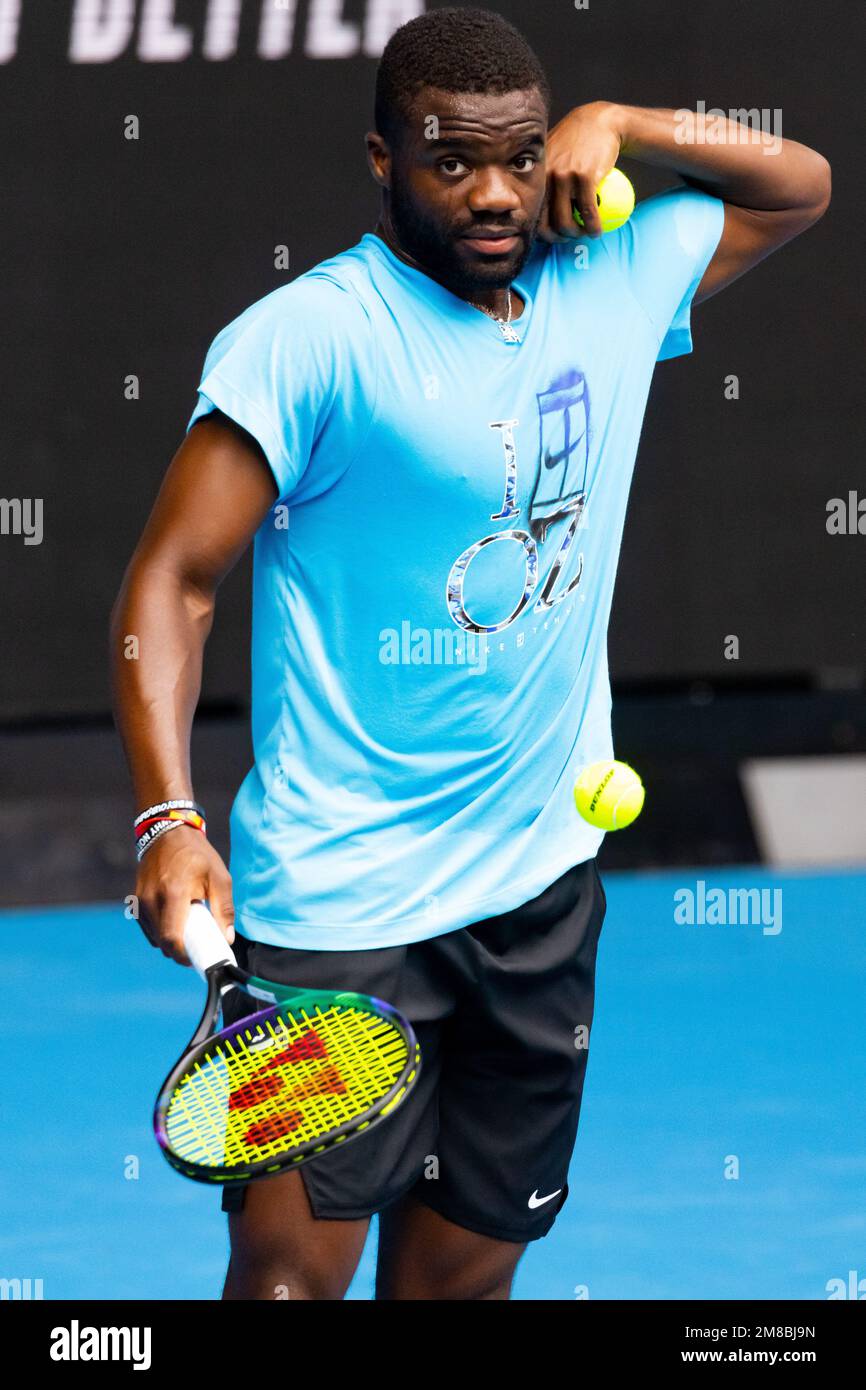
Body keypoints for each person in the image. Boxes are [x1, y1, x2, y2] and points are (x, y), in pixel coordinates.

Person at [111, 6, 831, 1300]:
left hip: (537, 894)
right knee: (286, 1281)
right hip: (337, 905)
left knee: (458, 1288)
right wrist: (168, 813)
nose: (494, 193)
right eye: (451, 162)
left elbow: (798, 183)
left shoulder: (611, 278)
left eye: (516, 155)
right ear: (382, 160)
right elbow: (173, 578)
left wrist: (618, 120)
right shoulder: (310, 339)